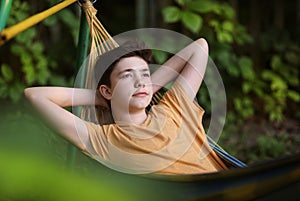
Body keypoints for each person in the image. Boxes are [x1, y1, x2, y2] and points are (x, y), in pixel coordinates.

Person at [24, 38, 227, 174]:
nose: (140, 81)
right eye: (127, 75)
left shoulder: (174, 108)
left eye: (144, 74)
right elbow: (34, 96)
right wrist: (101, 97)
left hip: (229, 186)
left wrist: (148, 87)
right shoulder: (101, 139)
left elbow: (200, 47)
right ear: (107, 90)